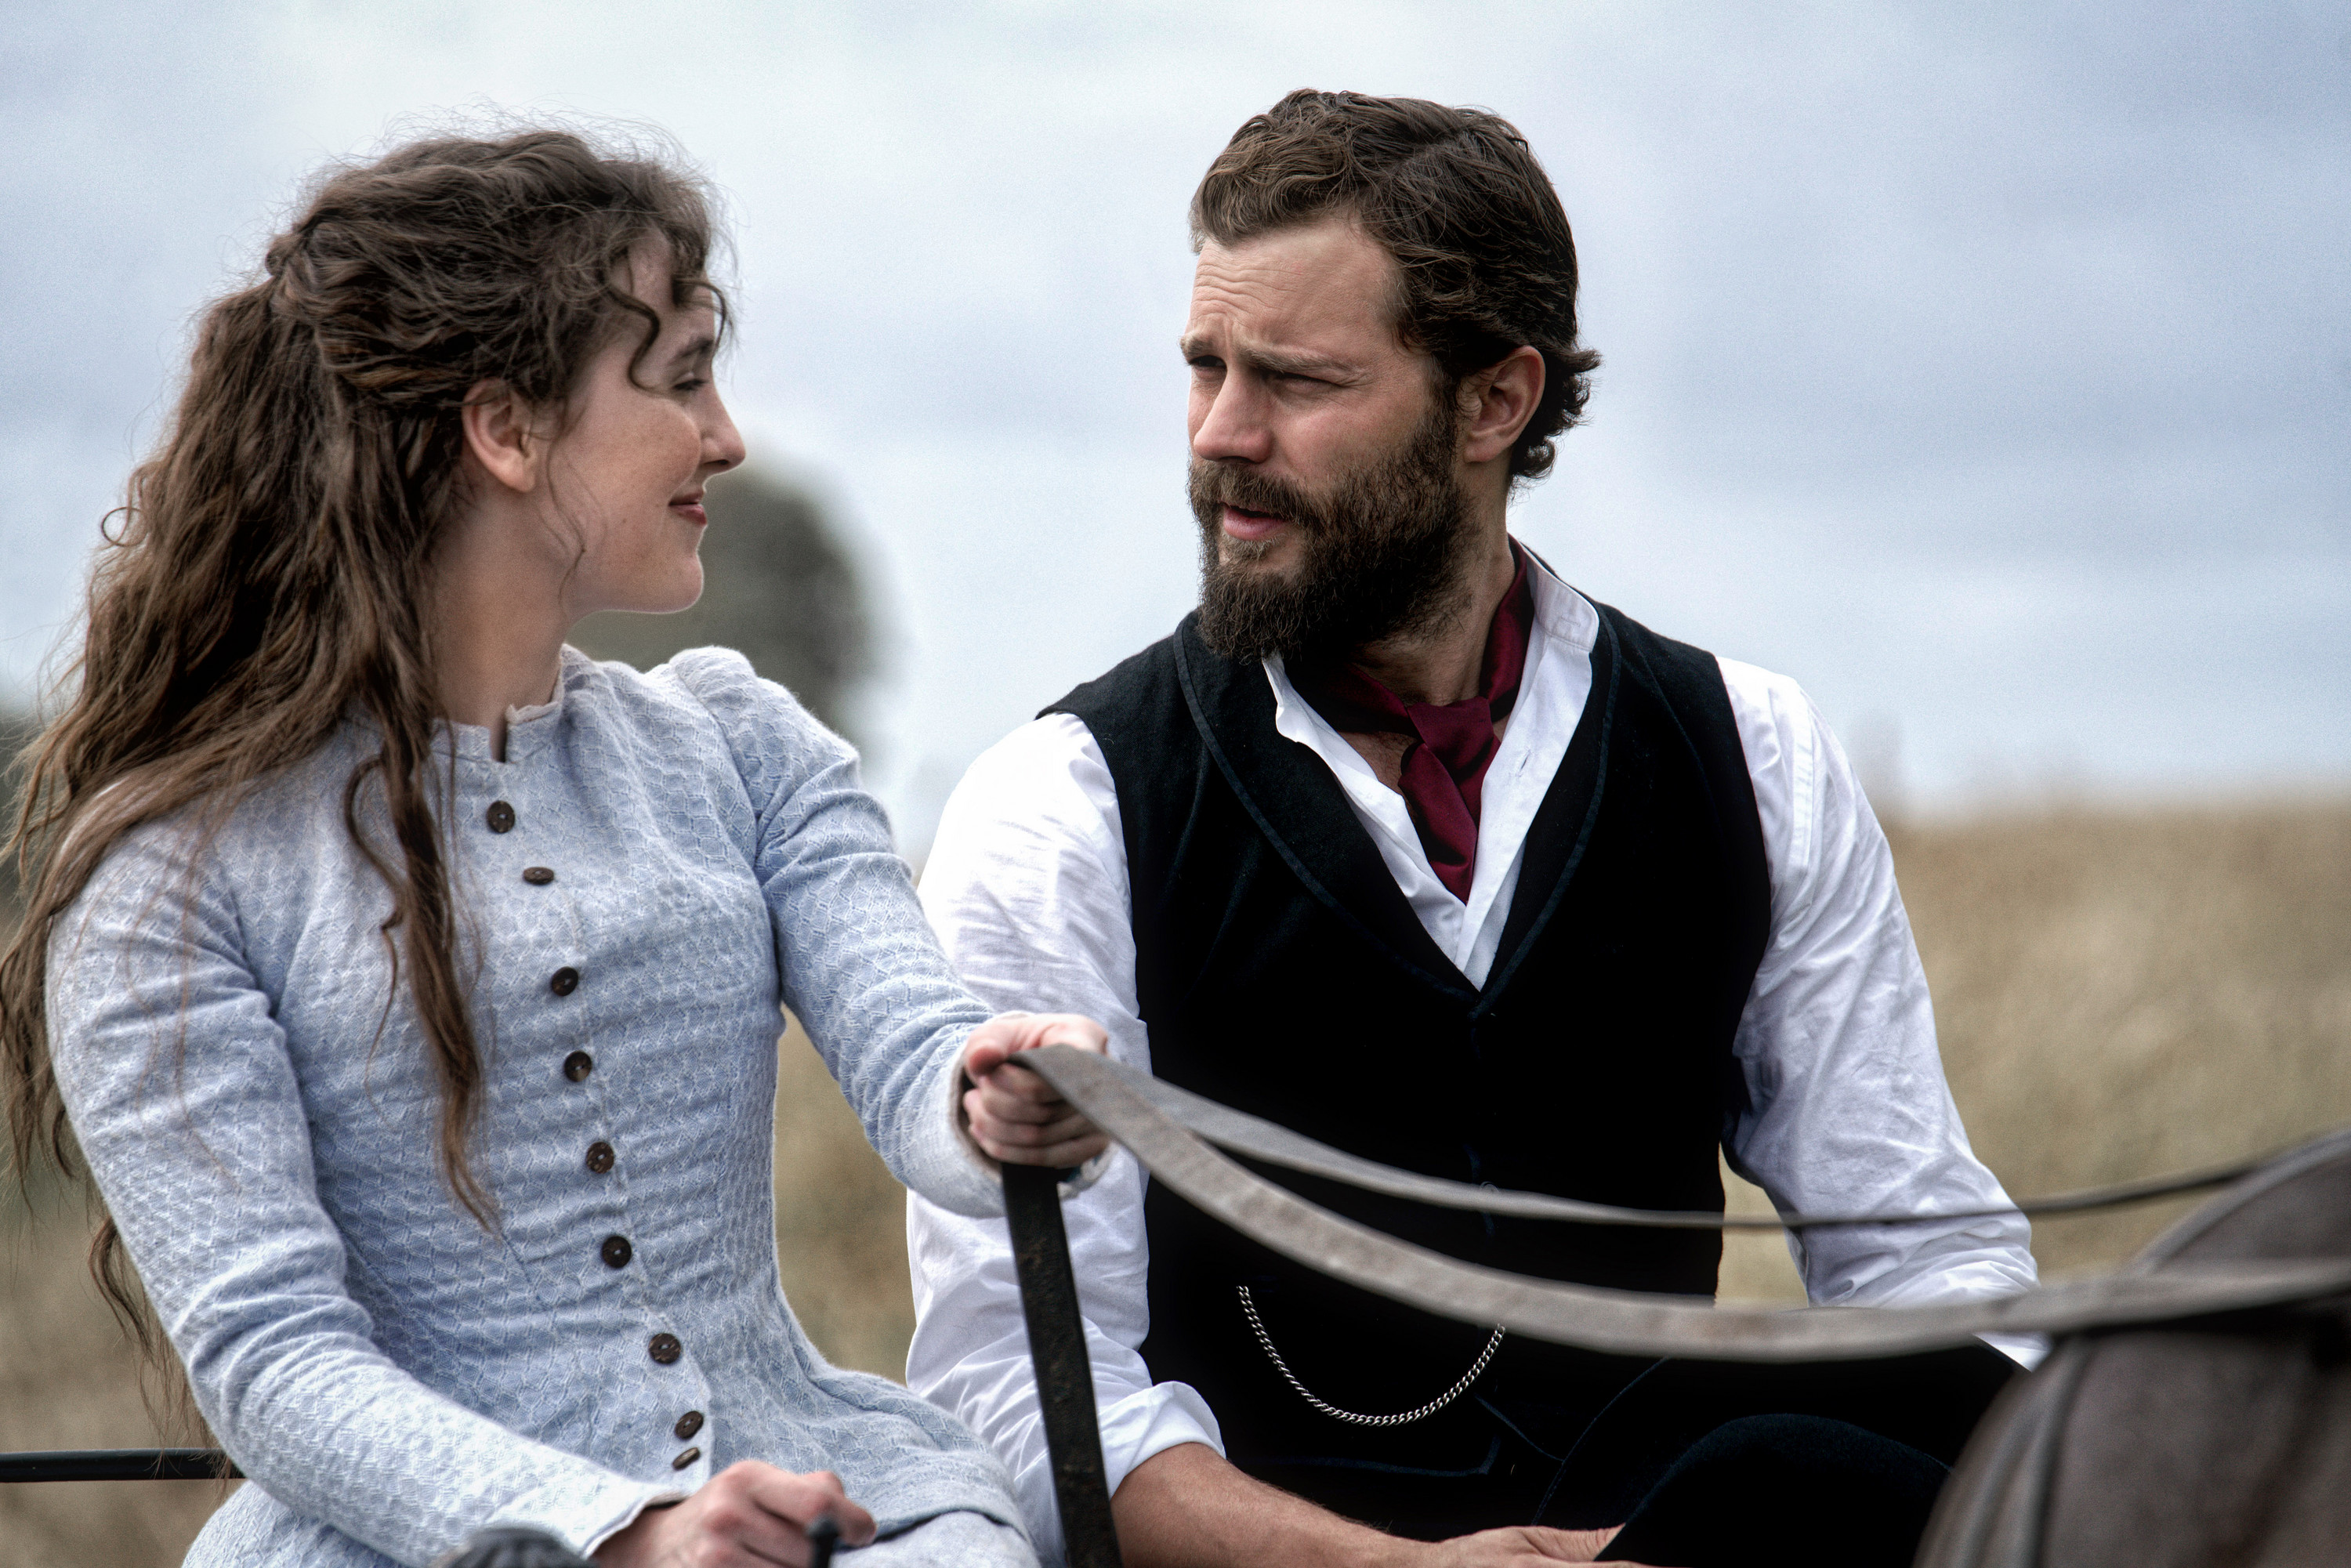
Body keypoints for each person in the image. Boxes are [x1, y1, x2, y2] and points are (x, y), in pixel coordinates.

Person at [906, 92, 2041, 1567]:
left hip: (1677, 1514)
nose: (1220, 439)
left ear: (1495, 401)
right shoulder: (1065, 808)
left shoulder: (1749, 758)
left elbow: (1925, 1264)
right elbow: (1021, 1399)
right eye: (1204, 367)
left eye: (1297, 381)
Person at [0, 129, 1110, 1568]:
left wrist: (1001, 1098)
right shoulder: (168, 884)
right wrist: (624, 1536)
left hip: (828, 1505)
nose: (728, 435)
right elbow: (274, 1359)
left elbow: (916, 1055)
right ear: (507, 430)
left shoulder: (739, 745)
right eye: (681, 376)